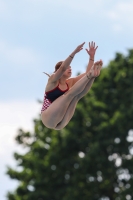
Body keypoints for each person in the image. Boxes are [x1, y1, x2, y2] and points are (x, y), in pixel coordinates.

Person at [41, 41, 103, 130]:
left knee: (77, 95)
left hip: (61, 122)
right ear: (59, 72)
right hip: (48, 118)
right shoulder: (53, 81)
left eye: (70, 67)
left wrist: (91, 58)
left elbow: (86, 74)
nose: (70, 68)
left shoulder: (70, 82)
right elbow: (62, 68)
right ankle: (91, 75)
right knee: (69, 94)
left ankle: (93, 76)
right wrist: (74, 52)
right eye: (68, 67)